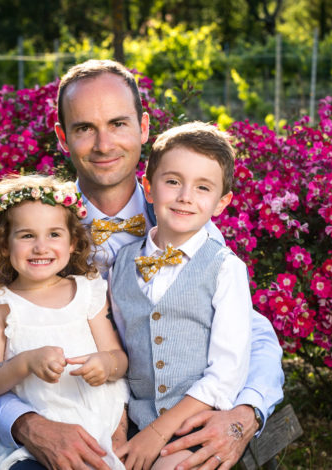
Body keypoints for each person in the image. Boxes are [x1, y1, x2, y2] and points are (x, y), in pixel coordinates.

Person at [0, 59, 284, 470]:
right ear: (62, 137)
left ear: (144, 127)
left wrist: (245, 413)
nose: (104, 145)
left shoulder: (183, 221)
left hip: (169, 421)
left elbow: (252, 336)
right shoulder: (39, 231)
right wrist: (27, 424)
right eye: (84, 128)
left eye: (118, 124)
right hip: (69, 420)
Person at [0, 174, 129, 469]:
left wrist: (106, 365)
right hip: (36, 443)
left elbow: (118, 358)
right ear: (3, 244)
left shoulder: (87, 292)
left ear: (73, 242)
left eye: (54, 234)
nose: (41, 247)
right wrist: (24, 363)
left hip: (104, 421)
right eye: (27, 235)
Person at [110, 122, 251, 470]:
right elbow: (121, 348)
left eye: (203, 187)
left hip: (195, 427)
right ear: (148, 187)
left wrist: (160, 432)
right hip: (136, 422)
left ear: (221, 203)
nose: (186, 195)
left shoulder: (224, 268)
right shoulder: (123, 263)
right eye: (173, 181)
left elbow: (226, 374)